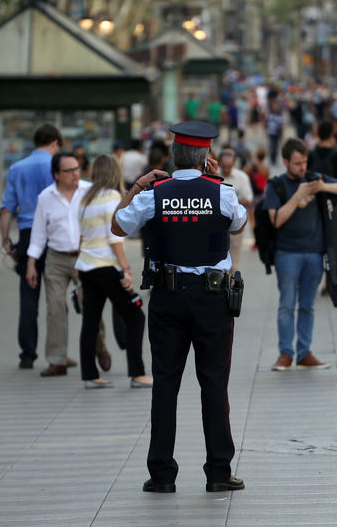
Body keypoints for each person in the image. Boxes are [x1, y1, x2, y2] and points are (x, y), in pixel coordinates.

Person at [111, 121, 247, 495]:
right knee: (214, 384)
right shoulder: (221, 192)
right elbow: (238, 225)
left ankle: (161, 474)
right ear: (206, 158)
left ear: (172, 156)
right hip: (212, 298)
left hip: (168, 299)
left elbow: (117, 226)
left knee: (166, 384)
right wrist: (214, 181)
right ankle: (219, 471)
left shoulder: (153, 193)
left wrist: (138, 185)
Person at [265, 138, 337, 372]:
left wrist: (323, 187)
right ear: (285, 162)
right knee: (286, 305)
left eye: (304, 162)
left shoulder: (314, 179)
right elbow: (276, 220)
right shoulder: (276, 185)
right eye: (297, 163)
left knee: (307, 305)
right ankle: (285, 353)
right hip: (287, 254)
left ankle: (304, 352)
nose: (302, 168)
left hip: (314, 254)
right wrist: (297, 197)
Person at [26, 152, 108, 377]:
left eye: (77, 168)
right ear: (56, 174)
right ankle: (57, 360)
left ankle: (100, 348)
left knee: (89, 305)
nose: (75, 173)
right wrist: (32, 263)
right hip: (56, 259)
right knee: (54, 308)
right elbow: (38, 233)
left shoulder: (89, 191)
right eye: (69, 170)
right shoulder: (46, 197)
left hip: (85, 257)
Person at [76, 155, 152, 389]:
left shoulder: (85, 200)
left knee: (90, 322)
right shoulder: (113, 198)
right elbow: (114, 238)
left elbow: (81, 237)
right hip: (107, 268)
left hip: (86, 267)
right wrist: (126, 270)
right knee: (135, 317)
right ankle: (137, 373)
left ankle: (90, 375)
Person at [0, 124, 59, 369]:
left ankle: (27, 354)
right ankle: (59, 352)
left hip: (27, 235)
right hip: (54, 235)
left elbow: (7, 209)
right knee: (57, 296)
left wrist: (5, 240)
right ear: (55, 142)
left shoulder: (16, 168)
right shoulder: (56, 166)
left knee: (28, 296)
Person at [308, 121, 337, 233]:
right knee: (334, 240)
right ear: (332, 134)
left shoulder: (310, 154)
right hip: (333, 202)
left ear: (318, 134)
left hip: (313, 202)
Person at [218, 148, 253, 273]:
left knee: (233, 263)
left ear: (233, 164)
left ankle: (232, 287)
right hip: (216, 225)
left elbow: (248, 200)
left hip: (234, 225)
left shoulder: (241, 177)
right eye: (224, 166)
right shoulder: (214, 174)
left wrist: (230, 202)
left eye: (229, 166)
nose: (226, 169)